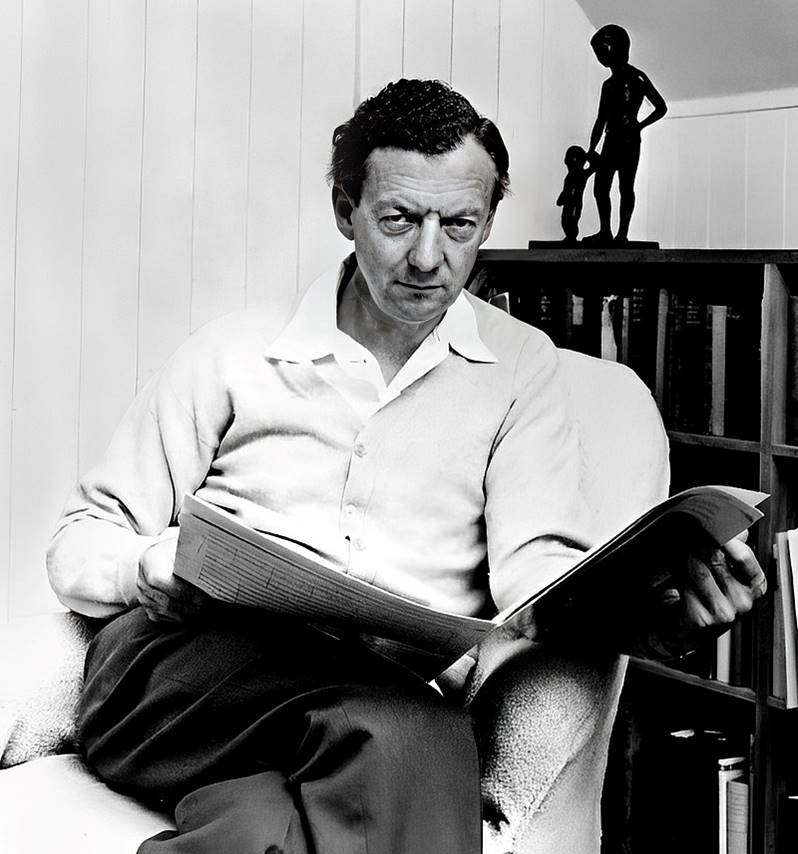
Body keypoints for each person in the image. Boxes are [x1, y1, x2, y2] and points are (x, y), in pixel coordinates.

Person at [47, 79, 764, 854]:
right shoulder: (235, 352)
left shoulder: (520, 369)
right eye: (398, 220)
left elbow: (538, 578)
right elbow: (79, 541)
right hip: (176, 681)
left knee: (261, 828)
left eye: (459, 225)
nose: (429, 258)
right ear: (345, 210)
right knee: (419, 734)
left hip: (347, 720)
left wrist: (657, 614)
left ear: (487, 219)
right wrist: (146, 567)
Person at [584, 24, 667, 246]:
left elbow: (661, 107)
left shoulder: (636, 77)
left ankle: (621, 234)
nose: (600, 56)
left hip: (629, 140)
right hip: (611, 139)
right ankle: (606, 231)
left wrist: (639, 126)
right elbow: (601, 119)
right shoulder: (608, 85)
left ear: (616, 48)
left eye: (602, 50)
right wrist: (591, 148)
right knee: (601, 187)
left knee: (625, 187)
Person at [556, 144, 599, 243]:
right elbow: (566, 190)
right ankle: (570, 237)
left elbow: (594, 166)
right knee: (566, 220)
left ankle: (571, 237)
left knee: (571, 220)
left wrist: (588, 156)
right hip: (571, 203)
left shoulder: (580, 174)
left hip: (574, 203)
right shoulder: (573, 175)